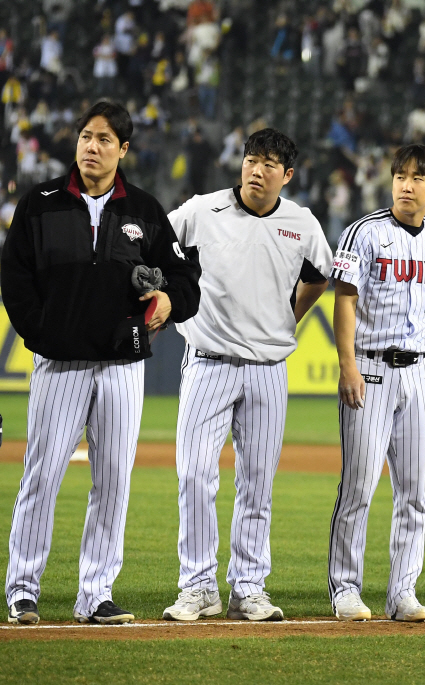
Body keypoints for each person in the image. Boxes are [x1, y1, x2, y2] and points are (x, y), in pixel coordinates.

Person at [3, 101, 201, 625]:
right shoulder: (40, 204)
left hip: (120, 364)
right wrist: (45, 333)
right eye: (86, 136)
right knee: (41, 477)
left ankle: (95, 593)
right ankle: (23, 590)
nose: (92, 147)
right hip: (60, 365)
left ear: (124, 149)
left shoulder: (145, 209)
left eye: (104, 139)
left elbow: (184, 281)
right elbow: (15, 282)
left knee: (113, 479)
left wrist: (168, 303)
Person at [162, 128, 332, 622]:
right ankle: (197, 587)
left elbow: (320, 276)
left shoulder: (301, 222)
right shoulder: (202, 210)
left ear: (288, 175)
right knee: (194, 475)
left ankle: (249, 587)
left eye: (270, 164)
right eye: (251, 160)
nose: (257, 170)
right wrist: (172, 294)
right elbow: (158, 245)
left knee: (257, 483)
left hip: (267, 370)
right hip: (208, 361)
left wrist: (287, 317)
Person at [326, 145, 425, 623]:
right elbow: (344, 300)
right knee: (358, 487)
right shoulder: (364, 232)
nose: (406, 184)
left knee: (414, 492)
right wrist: (347, 364)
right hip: (371, 368)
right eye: (400, 175)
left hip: (418, 374)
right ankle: (345, 589)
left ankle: (403, 592)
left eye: (417, 178)